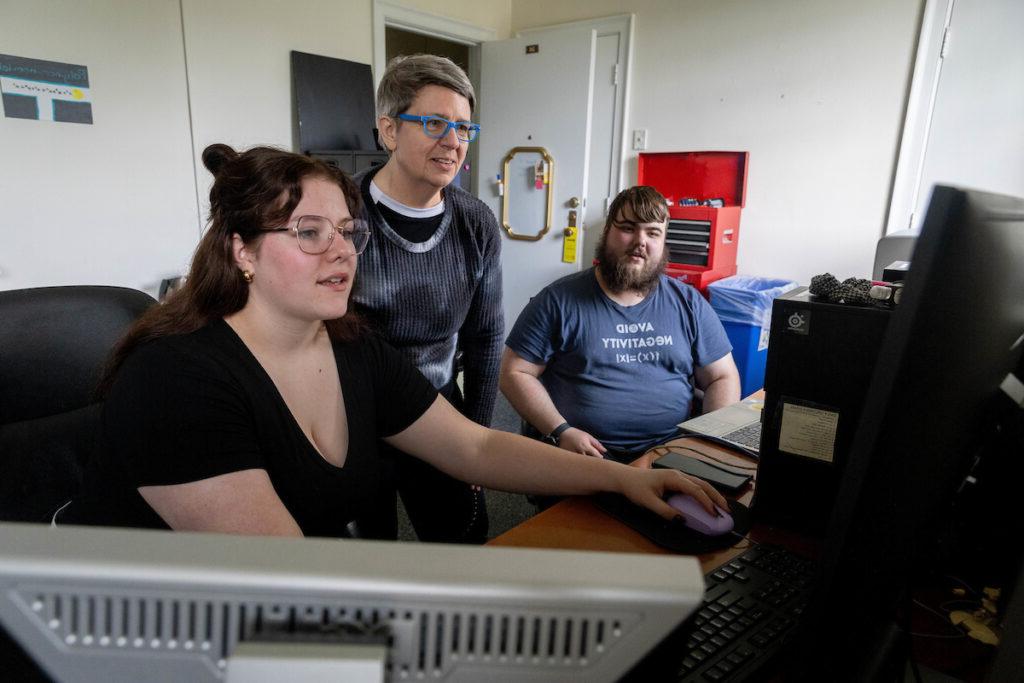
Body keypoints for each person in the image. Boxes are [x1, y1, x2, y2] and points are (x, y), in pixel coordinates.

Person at [60, 145, 726, 537]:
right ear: (241, 252)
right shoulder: (176, 379)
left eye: (348, 231)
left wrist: (620, 480)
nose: (341, 251)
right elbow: (285, 582)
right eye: (308, 232)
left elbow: (475, 443)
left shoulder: (353, 346)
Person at [350, 55, 502, 543]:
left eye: (463, 128)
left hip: (440, 412)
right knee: (365, 566)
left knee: (464, 546)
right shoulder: (342, 215)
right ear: (389, 130)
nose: (454, 142)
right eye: (435, 123)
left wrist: (477, 435)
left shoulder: (474, 222)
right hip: (352, 420)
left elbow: (486, 335)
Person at [500, 185, 742, 465]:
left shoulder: (689, 303)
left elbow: (722, 377)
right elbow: (513, 371)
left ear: (663, 242)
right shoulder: (558, 301)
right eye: (628, 228)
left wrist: (705, 444)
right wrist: (560, 431)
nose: (640, 241)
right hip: (588, 456)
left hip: (670, 454)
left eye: (653, 233)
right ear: (607, 232)